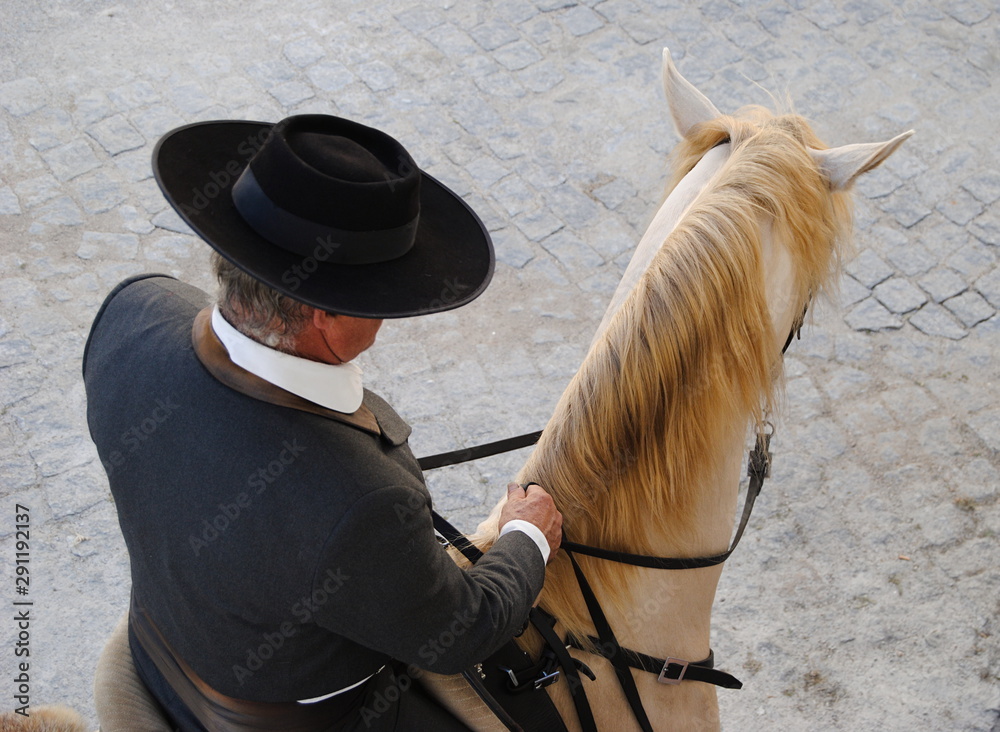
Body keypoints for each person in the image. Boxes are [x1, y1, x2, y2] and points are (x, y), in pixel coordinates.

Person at [82, 114, 563, 731]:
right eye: (382, 296)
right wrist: (528, 536)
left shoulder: (134, 309)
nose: (391, 314)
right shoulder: (363, 498)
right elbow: (460, 630)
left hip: (161, 646)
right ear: (324, 318)